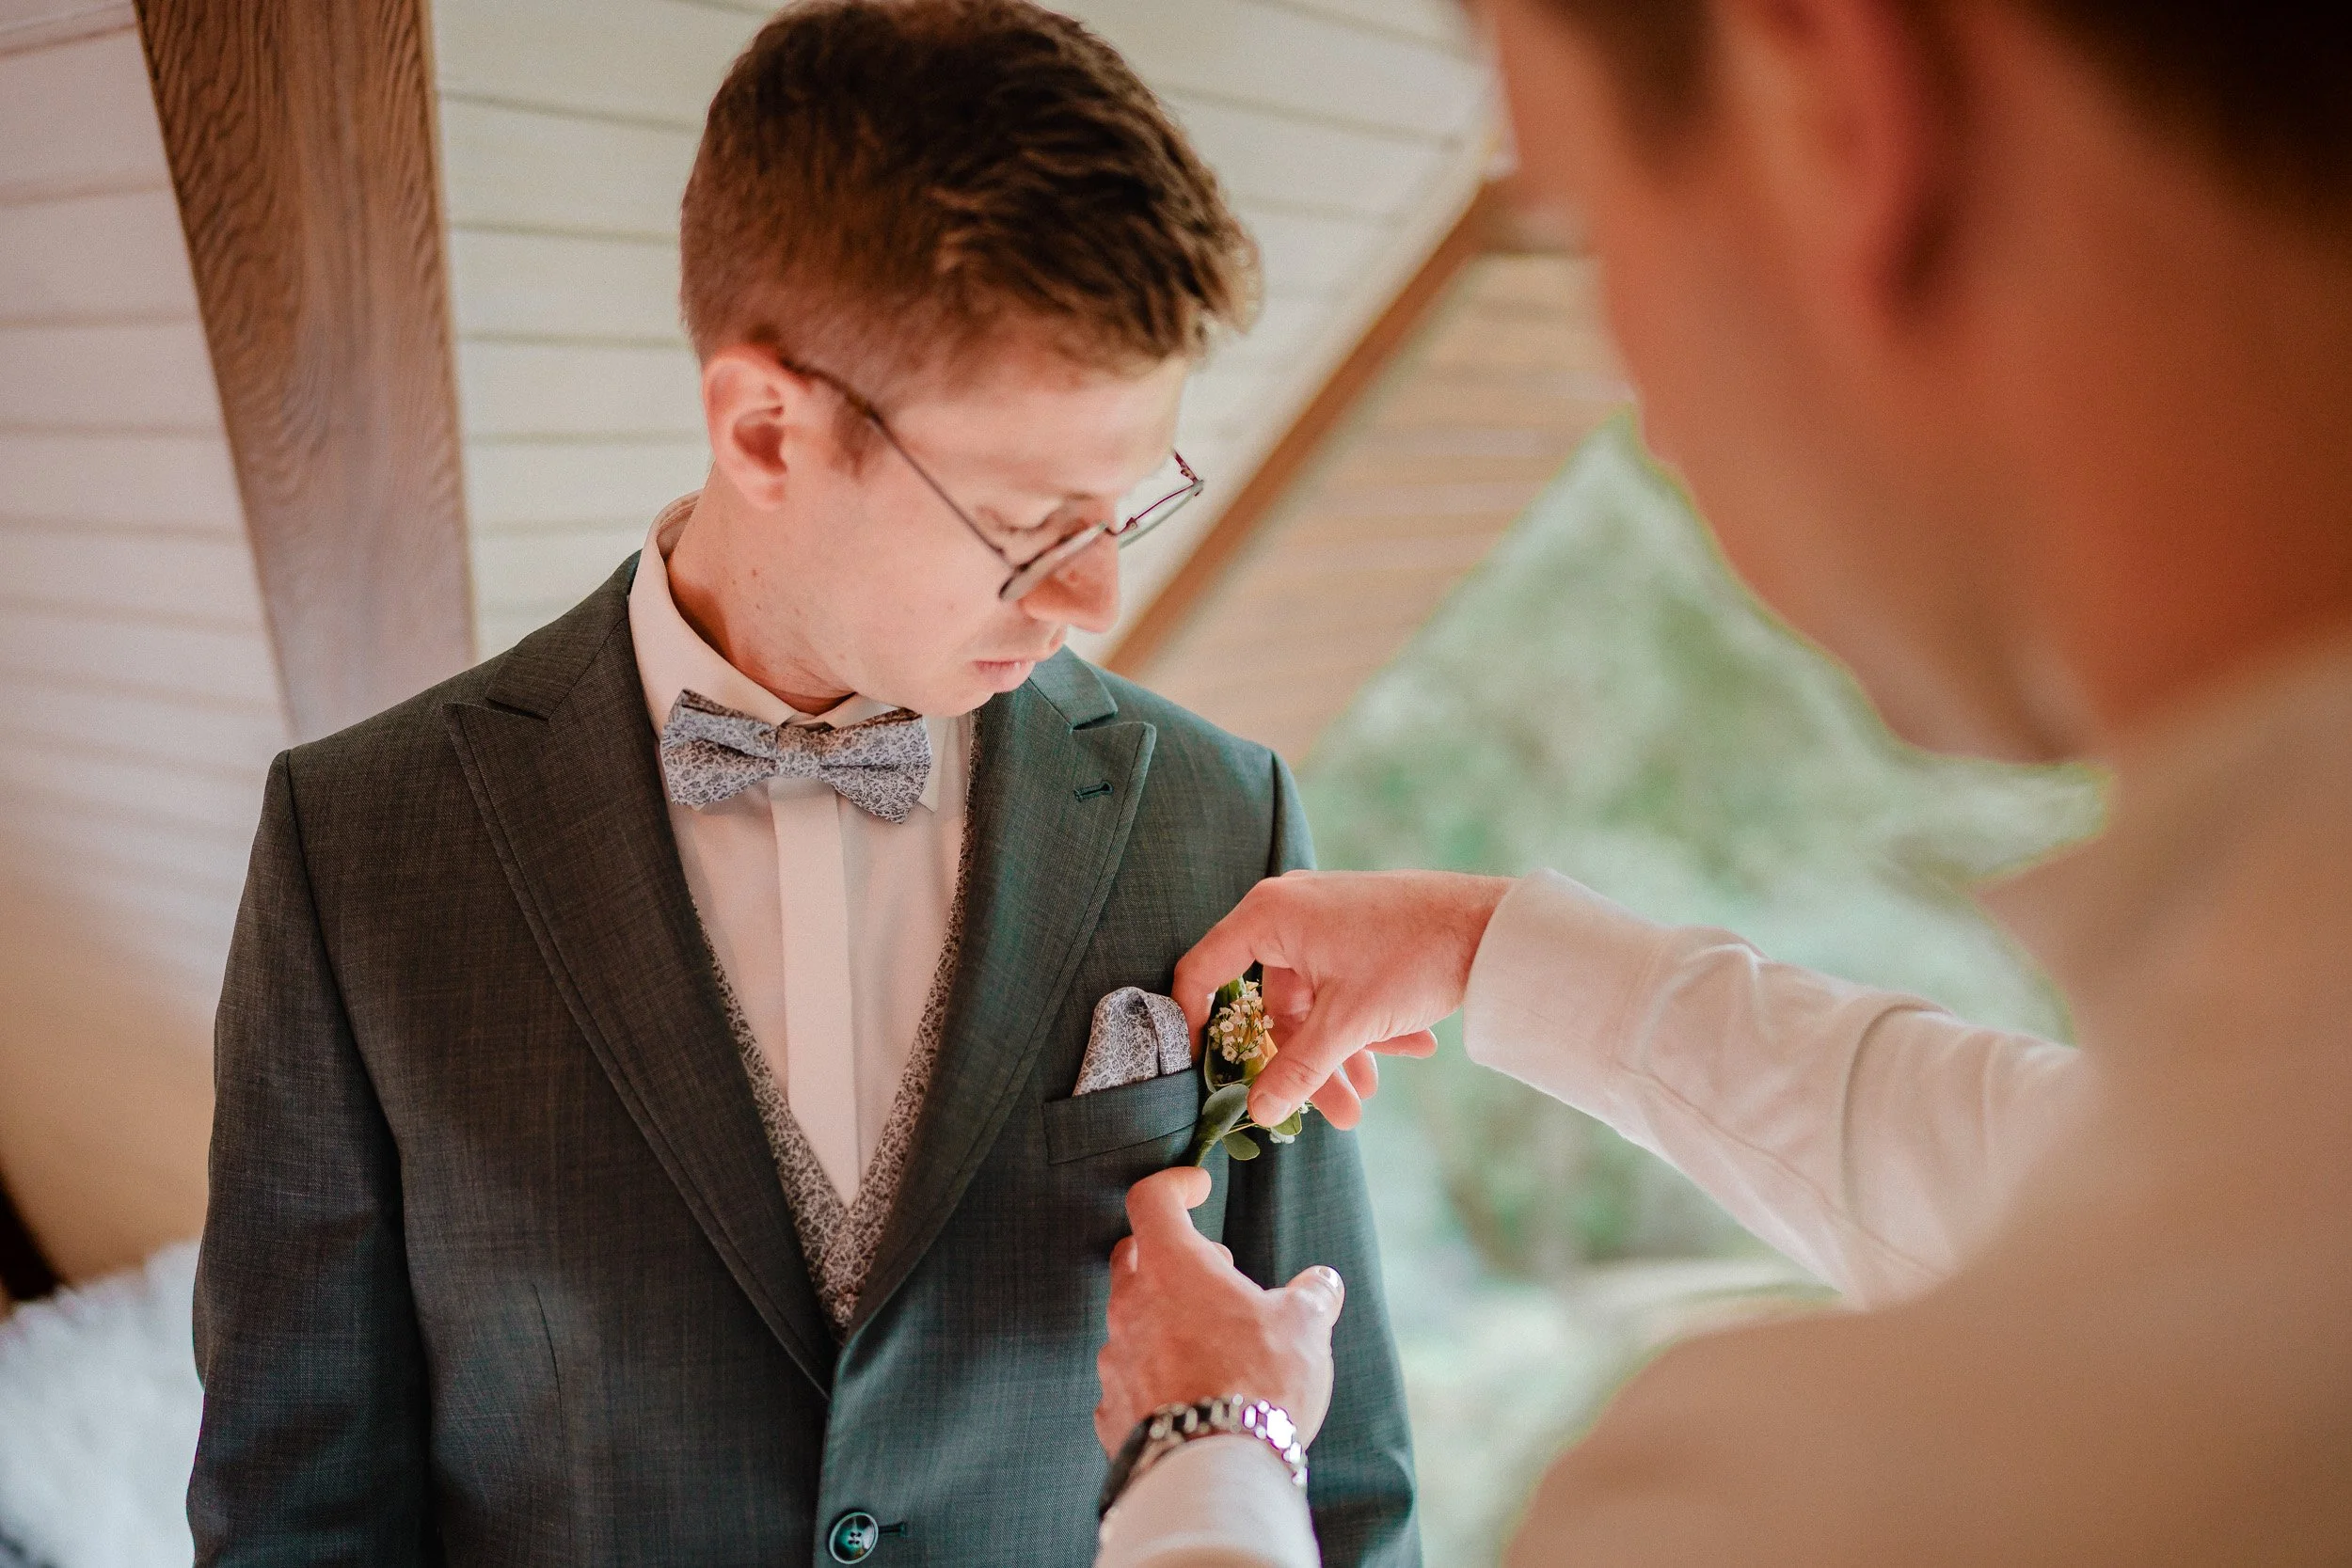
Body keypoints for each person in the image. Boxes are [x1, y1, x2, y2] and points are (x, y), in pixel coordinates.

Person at [1089, 0, 2352, 1560]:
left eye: (1585, 233)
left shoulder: (1836, 1501)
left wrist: (1219, 1449)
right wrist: (1496, 944)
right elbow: (2032, 1163)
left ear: (1834, 99)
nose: (1646, 410)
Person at [187, 4, 1419, 1563]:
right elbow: (299, 1520)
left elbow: (1344, 1474)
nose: (1097, 600)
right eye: (1034, 522)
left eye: (1131, 502)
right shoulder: (359, 851)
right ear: (767, 426)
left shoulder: (1216, 819)